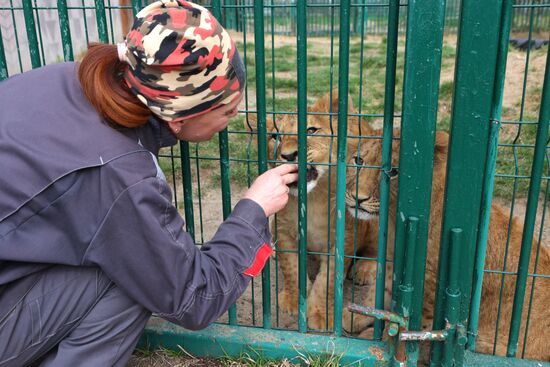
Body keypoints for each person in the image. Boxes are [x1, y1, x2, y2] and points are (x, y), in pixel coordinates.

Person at [0, 1, 298, 366]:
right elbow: (193, 298)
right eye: (226, 111)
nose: (234, 119)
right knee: (135, 276)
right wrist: (253, 211)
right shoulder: (118, 172)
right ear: (177, 118)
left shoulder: (67, 77)